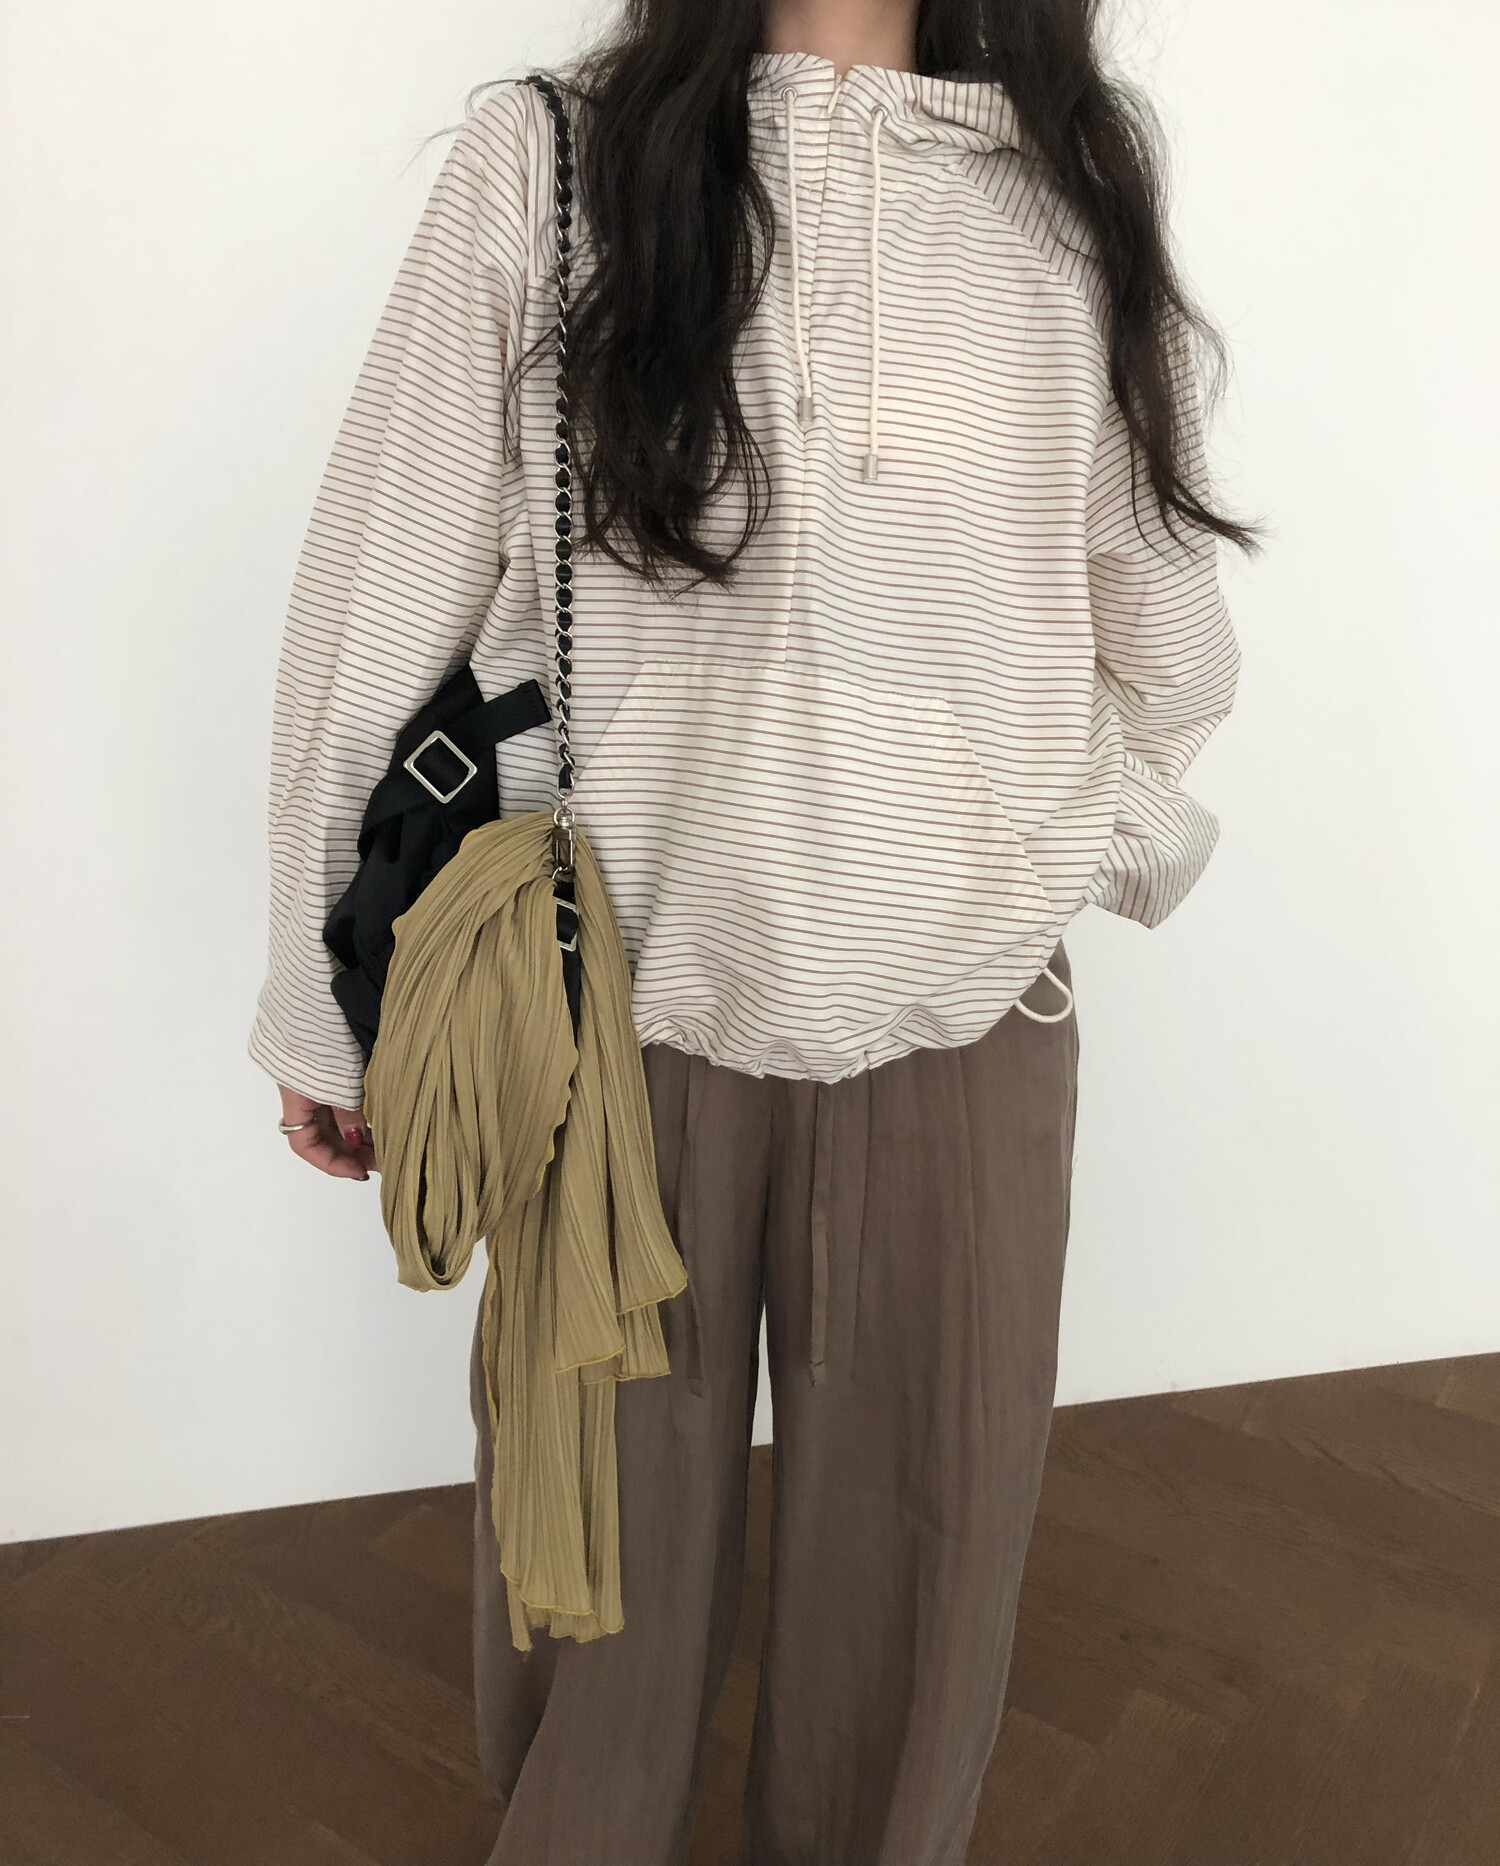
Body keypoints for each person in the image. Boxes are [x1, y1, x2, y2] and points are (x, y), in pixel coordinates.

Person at [250, 0, 1253, 1858]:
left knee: (924, 1564)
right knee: (591, 1568)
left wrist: (1050, 851)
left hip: (968, 1025)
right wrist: (328, 1004)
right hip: (616, 1013)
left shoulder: (1063, 182)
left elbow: (1163, 619)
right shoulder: (552, 163)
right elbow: (377, 594)